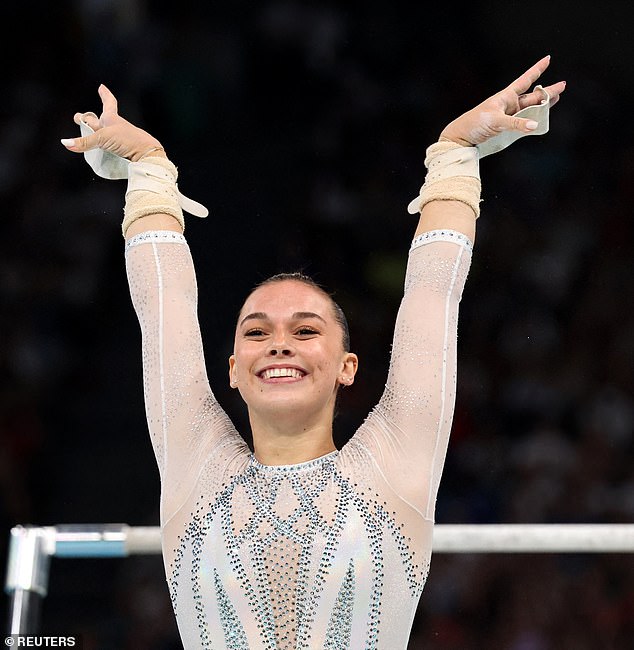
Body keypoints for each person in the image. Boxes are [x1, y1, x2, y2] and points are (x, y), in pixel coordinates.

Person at [61, 56, 565, 649]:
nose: (278, 341)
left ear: (347, 367)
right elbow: (163, 311)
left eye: (305, 331)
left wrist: (456, 155)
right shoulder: (195, 464)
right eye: (256, 331)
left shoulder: (393, 465)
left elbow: (434, 295)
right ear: (233, 371)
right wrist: (148, 175)